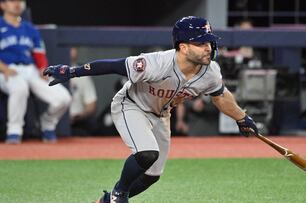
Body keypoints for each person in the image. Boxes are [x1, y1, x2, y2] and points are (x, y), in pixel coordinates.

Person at [43, 16, 259, 203]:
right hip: (131, 105)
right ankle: (119, 195)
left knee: (152, 174)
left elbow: (220, 96)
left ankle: (107, 200)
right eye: (202, 43)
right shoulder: (156, 63)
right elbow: (113, 65)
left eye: (209, 43)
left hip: (161, 115)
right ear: (183, 47)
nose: (208, 48)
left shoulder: (210, 71)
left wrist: (241, 117)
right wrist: (72, 71)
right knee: (147, 154)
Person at [0, 0, 71, 144]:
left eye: (19, 1)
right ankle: (14, 131)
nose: (17, 4)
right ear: (3, 5)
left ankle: (47, 123)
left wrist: (42, 69)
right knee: (19, 88)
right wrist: (4, 69)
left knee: (63, 98)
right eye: (12, 1)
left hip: (29, 69)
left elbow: (39, 53)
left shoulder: (30, 28)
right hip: (6, 70)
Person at [69, 47, 97, 135]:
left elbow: (91, 105)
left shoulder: (82, 73)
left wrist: (79, 116)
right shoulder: (50, 72)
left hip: (77, 123)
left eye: (73, 48)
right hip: (55, 120)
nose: (70, 51)